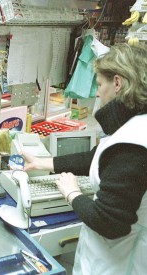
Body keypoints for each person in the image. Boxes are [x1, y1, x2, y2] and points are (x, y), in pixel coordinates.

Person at [23, 44, 147, 274]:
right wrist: (44, 163)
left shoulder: (134, 145)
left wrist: (72, 193)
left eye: (100, 85)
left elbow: (109, 222)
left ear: (117, 83)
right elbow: (100, 158)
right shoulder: (135, 126)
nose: (97, 93)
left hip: (121, 263)